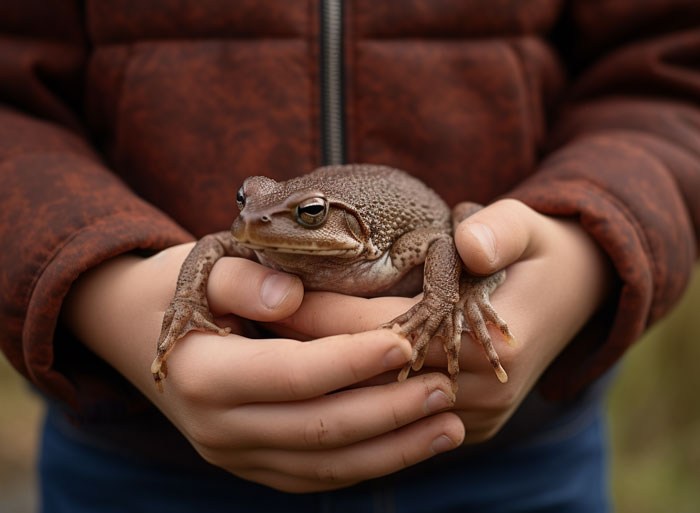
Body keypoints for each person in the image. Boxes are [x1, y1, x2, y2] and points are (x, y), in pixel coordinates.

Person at [1, 1, 698, 511]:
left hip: (513, 460)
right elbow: (216, 243)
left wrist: (570, 256)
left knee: (464, 228)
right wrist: (117, 290)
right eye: (248, 200)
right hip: (143, 461)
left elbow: (436, 242)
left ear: (333, 223)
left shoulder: (382, 240)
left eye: (301, 219)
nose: (251, 222)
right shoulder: (252, 225)